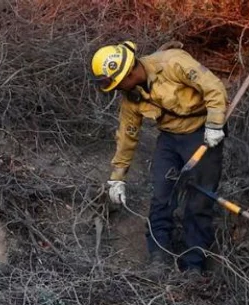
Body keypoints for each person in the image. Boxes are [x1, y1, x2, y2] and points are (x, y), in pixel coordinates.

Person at [91, 41, 228, 272]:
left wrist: (215, 124)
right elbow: (127, 135)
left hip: (203, 133)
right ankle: (158, 257)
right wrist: (117, 177)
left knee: (199, 200)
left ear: (130, 71)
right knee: (161, 196)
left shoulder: (172, 63)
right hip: (170, 138)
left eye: (117, 83)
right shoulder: (131, 95)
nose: (117, 90)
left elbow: (213, 87)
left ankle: (194, 265)